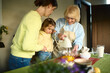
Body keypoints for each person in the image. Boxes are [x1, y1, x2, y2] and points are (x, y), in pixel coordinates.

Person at [8, 0, 58, 70]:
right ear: (49, 5)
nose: (52, 12)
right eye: (52, 9)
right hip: (21, 58)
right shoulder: (35, 19)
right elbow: (27, 46)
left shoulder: (31, 15)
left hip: (17, 57)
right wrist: (41, 47)